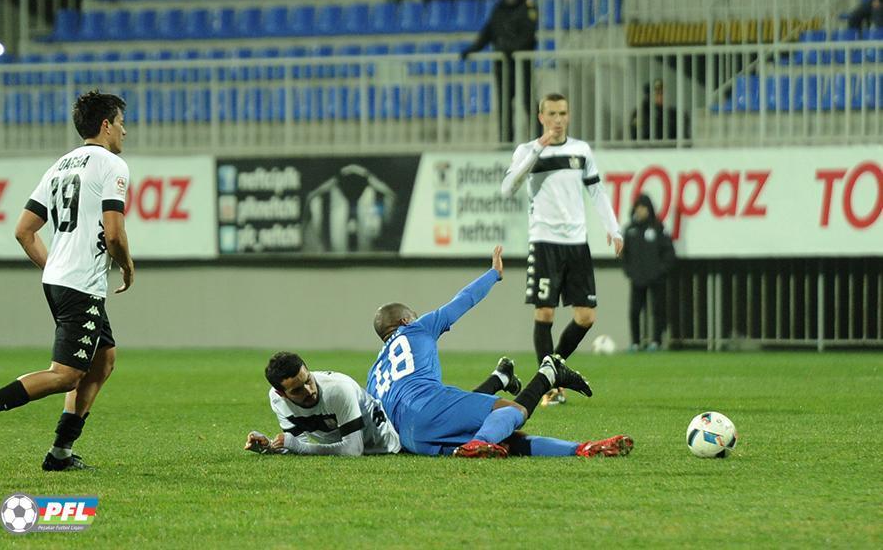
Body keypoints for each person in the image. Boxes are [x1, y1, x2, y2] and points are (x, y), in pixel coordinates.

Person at [0, 90, 134, 471]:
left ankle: (61, 452)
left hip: (60, 279)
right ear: (106, 125)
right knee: (66, 376)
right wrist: (128, 267)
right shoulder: (112, 165)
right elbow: (114, 234)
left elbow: (23, 230)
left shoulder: (60, 165)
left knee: (103, 359)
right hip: (81, 284)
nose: (124, 131)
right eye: (121, 123)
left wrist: (55, 267)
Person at [368, 245, 633, 458]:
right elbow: (464, 299)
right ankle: (541, 380)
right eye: (412, 315)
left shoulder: (373, 374)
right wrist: (493, 273)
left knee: (505, 438)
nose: (416, 317)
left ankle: (581, 449)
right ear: (405, 320)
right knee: (511, 411)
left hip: (411, 438)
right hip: (429, 406)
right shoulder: (417, 328)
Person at [501, 93, 624, 406]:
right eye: (552, 114)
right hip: (544, 241)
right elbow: (508, 188)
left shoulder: (580, 150)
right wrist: (538, 149)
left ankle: (551, 370)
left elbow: (596, 191)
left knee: (586, 317)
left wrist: (613, 228)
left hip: (577, 243)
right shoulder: (527, 150)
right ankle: (549, 388)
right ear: (541, 117)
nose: (558, 119)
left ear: (568, 116)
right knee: (545, 312)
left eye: (563, 113)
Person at [245, 351, 523, 456]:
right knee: (452, 415)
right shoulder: (277, 400)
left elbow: (352, 450)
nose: (309, 390)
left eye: (308, 380)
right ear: (282, 393)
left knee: (452, 417)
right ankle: (500, 377)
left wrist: (298, 447)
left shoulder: (337, 389)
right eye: (298, 389)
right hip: (382, 423)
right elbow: (297, 445)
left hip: (397, 437)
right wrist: (269, 446)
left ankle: (540, 378)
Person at [460, 0, 537, 141]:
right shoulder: (498, 8)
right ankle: (506, 141)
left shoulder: (528, 7)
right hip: (503, 66)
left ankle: (539, 140)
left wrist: (507, 48)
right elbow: (487, 33)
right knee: (504, 105)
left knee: (528, 102)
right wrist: (472, 48)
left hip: (521, 64)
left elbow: (527, 36)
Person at [622, 194, 675, 352]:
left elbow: (669, 252)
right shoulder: (630, 230)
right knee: (634, 311)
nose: (640, 211)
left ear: (649, 209)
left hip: (656, 279)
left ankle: (656, 342)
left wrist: (661, 271)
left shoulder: (658, 227)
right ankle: (635, 342)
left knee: (657, 310)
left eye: (643, 207)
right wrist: (630, 271)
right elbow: (624, 254)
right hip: (637, 278)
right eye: (638, 207)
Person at [630, 78, 690, 142]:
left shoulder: (673, 113)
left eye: (663, 93)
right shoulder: (640, 113)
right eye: (658, 93)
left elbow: (683, 137)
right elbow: (637, 136)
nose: (662, 96)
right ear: (649, 96)